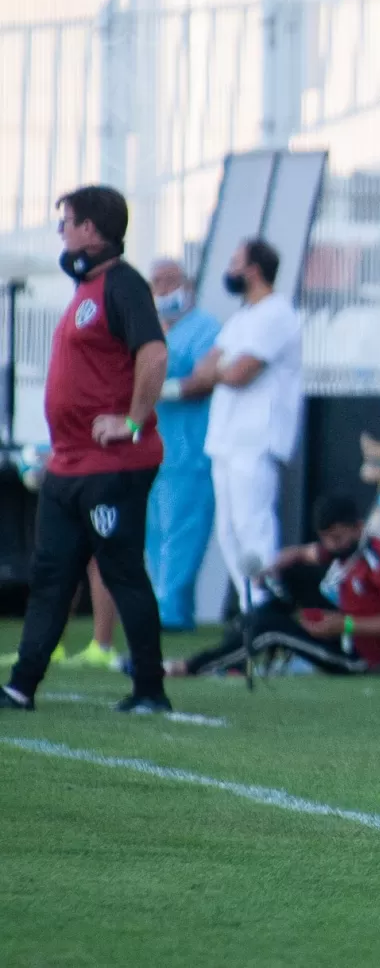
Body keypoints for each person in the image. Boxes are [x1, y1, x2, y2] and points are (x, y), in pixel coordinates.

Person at [1, 185, 171, 714]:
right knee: (50, 577)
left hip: (112, 466)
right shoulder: (86, 291)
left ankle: (149, 690)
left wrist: (133, 421)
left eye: (66, 222)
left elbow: (154, 353)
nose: (61, 232)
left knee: (122, 572)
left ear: (92, 232)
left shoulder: (124, 286)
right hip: (69, 466)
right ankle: (21, 686)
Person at [180, 239, 302, 614]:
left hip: (257, 438)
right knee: (229, 532)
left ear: (253, 269)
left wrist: (220, 371)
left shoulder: (276, 314)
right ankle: (253, 612)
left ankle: (268, 611)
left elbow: (238, 373)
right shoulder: (242, 318)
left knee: (254, 527)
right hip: (226, 440)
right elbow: (204, 369)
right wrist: (220, 371)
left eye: (234, 261)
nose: (229, 270)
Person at [166, 494, 380, 676]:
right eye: (325, 538)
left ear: (358, 528)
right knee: (288, 579)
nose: (330, 545)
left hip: (361, 657)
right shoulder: (344, 550)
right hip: (339, 628)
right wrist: (275, 566)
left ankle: (190, 667)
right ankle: (237, 651)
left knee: (271, 629)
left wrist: (345, 625)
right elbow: (305, 554)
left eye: (336, 538)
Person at [147, 258, 220, 631]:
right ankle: (163, 606)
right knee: (155, 532)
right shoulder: (153, 332)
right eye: (156, 282)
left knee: (182, 532)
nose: (162, 289)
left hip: (190, 451)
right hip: (156, 452)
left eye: (169, 280)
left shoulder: (206, 329)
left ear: (187, 285)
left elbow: (202, 380)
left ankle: (171, 612)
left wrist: (159, 388)